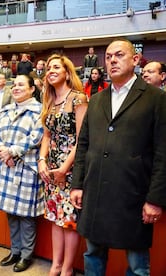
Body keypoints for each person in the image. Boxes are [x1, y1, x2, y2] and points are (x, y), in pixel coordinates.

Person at [70, 39, 166, 275]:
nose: (112, 60)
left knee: (137, 264)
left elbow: (163, 152)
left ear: (135, 60)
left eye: (119, 55)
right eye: (109, 56)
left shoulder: (156, 98)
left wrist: (155, 199)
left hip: (133, 194)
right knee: (92, 255)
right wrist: (77, 184)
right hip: (96, 192)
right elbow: (83, 145)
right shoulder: (96, 99)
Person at [0, 75, 44, 273]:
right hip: (5, 165)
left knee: (26, 215)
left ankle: (26, 255)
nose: (16, 88)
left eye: (21, 85)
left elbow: (36, 137)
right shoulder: (5, 110)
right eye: (14, 85)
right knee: (10, 212)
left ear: (31, 89)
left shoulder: (40, 111)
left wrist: (12, 151)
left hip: (26, 167)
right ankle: (15, 251)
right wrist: (2, 150)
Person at [38, 54, 88, 276]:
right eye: (48, 68)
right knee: (55, 218)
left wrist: (64, 168)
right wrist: (41, 161)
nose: (51, 71)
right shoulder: (48, 100)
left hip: (71, 169)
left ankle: (67, 268)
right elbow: (46, 137)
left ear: (67, 72)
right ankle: (55, 265)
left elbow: (82, 139)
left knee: (69, 221)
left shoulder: (78, 98)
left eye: (56, 67)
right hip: (51, 170)